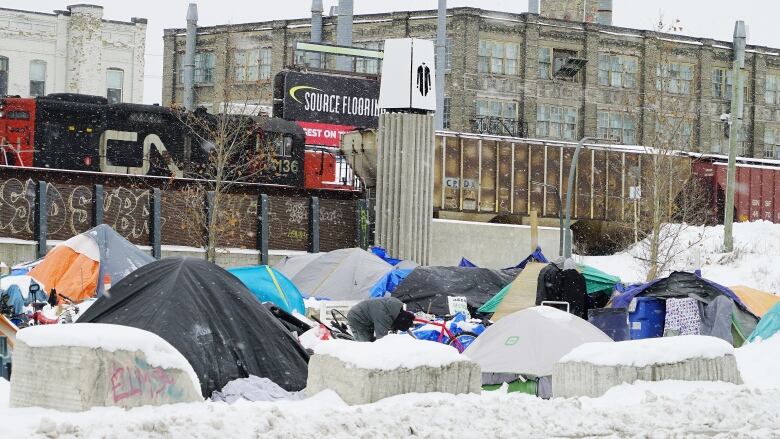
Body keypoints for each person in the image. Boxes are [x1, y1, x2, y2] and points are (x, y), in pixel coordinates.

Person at [347, 297, 416, 342]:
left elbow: (404, 323)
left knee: (371, 340)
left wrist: (415, 340)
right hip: (356, 317)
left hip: (368, 315)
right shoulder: (383, 317)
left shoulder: (397, 308)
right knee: (365, 344)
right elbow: (382, 339)